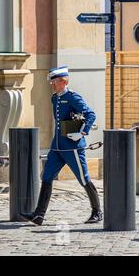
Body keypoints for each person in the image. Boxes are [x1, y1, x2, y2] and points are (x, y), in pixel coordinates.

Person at [21, 66, 103, 226]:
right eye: (51, 81)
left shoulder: (73, 97)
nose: (51, 84)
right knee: (46, 177)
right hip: (57, 146)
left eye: (54, 81)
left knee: (83, 178)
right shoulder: (55, 98)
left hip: (72, 147)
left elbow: (90, 114)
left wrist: (82, 132)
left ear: (63, 81)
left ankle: (97, 211)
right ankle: (39, 215)